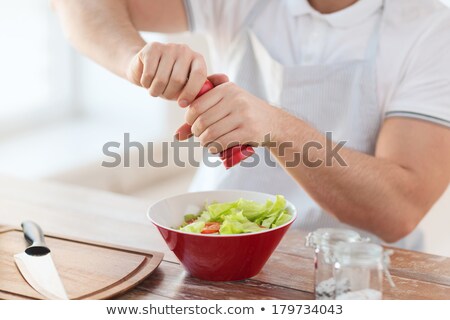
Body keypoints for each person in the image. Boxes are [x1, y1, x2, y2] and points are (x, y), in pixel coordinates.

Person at [52, 0, 450, 249]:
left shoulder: (432, 30)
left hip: (352, 269)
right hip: (213, 248)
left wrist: (273, 126)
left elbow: (398, 210)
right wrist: (137, 60)